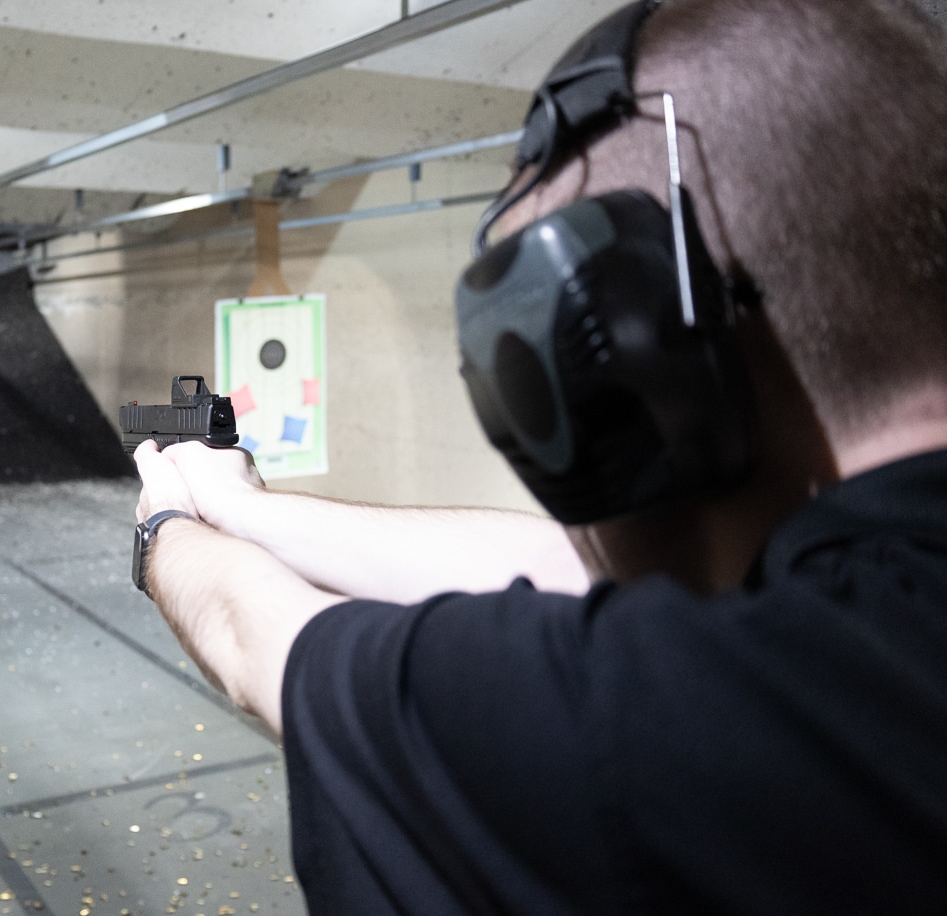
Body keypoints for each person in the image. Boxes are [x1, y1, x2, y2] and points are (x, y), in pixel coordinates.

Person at [132, 0, 947, 911]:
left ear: (640, 355)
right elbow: (550, 569)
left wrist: (163, 524)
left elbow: (262, 646)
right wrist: (246, 507)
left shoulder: (675, 736)